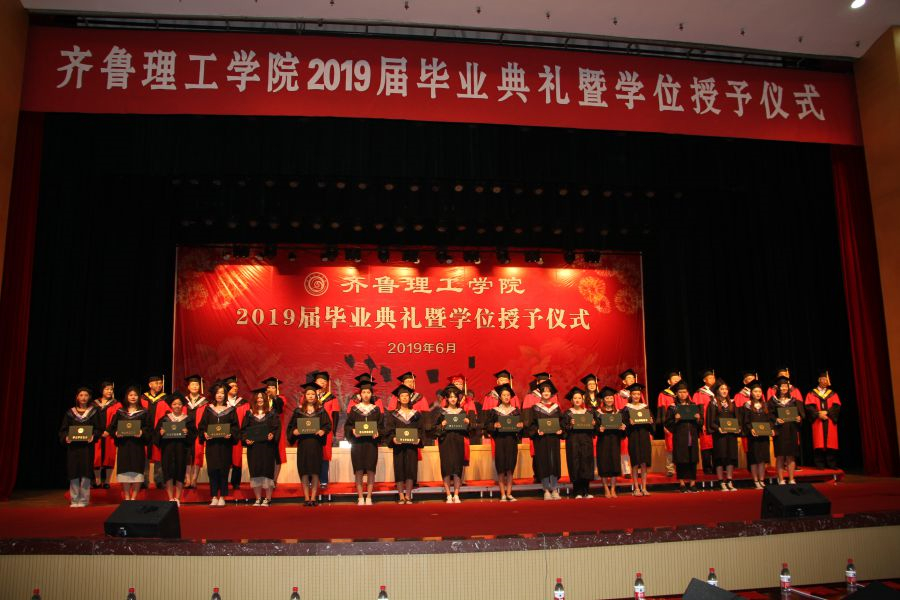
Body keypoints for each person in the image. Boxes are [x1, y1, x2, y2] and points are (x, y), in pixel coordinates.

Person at [287, 382, 332, 506]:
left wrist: (323, 431)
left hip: (316, 444)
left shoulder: (321, 411)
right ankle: (306, 498)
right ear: (305, 396)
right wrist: (294, 432)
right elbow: (291, 427)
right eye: (308, 394)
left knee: (315, 471)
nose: (311, 396)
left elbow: (327, 425)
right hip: (303, 445)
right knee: (304, 471)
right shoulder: (298, 411)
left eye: (313, 394)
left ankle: (313, 498)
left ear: (316, 396)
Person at [198, 383, 239, 507]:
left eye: (222, 393)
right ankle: (214, 496)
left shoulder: (231, 410)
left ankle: (222, 496)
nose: (219, 395)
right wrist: (205, 434)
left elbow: (235, 427)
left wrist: (230, 434)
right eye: (217, 393)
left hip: (225, 445)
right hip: (212, 445)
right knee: (212, 470)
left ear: (225, 394)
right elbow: (202, 426)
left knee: (224, 470)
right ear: (214, 395)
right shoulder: (208, 409)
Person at [59, 387, 100, 508]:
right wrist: (66, 437)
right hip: (73, 448)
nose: (83, 398)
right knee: (74, 472)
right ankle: (74, 499)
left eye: (86, 395)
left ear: (89, 397)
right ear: (77, 397)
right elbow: (63, 429)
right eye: (81, 395)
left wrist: (93, 436)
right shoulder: (70, 413)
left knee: (86, 472)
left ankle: (84, 500)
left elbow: (98, 429)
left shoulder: (93, 412)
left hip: (87, 448)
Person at [109, 386, 152, 501]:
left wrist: (142, 432)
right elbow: (112, 428)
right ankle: (127, 498)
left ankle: (133, 498)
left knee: (137, 471)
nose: (133, 397)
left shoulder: (144, 412)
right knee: (125, 472)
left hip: (137, 446)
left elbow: (149, 428)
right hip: (124, 445)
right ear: (127, 397)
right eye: (131, 395)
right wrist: (116, 432)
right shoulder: (120, 412)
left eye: (135, 395)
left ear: (139, 397)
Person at [154, 393, 196, 506]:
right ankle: (170, 498)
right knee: (168, 473)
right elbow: (156, 435)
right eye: (174, 404)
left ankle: (177, 498)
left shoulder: (188, 419)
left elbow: (193, 435)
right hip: (167, 450)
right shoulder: (164, 419)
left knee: (180, 472)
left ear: (183, 405)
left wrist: (187, 433)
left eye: (179, 404)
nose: (177, 406)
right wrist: (160, 433)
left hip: (181, 450)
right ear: (171, 406)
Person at [241, 387, 280, 507]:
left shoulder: (272, 413)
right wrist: (246, 439)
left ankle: (267, 499)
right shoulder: (249, 414)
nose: (259, 399)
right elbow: (243, 430)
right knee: (256, 472)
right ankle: (258, 499)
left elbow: (276, 428)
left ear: (265, 399)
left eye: (261, 397)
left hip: (267, 448)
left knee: (267, 472)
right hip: (254, 448)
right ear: (254, 400)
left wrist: (272, 435)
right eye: (257, 398)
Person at [345, 380, 382, 505]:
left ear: (371, 394)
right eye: (364, 392)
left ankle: (369, 497)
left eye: (368, 392)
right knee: (359, 469)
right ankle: (360, 497)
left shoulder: (376, 410)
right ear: (360, 395)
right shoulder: (355, 409)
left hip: (371, 444)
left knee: (371, 469)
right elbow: (348, 425)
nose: (366, 394)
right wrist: (353, 430)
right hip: (357, 444)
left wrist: (378, 432)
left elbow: (381, 426)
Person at [484, 383, 522, 501]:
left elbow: (521, 428)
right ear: (500, 397)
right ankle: (502, 494)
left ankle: (509, 493)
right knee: (501, 467)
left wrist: (520, 426)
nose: (506, 397)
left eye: (508, 395)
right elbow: (487, 426)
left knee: (510, 467)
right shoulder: (494, 411)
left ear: (511, 397)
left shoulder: (515, 411)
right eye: (504, 395)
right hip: (500, 441)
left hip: (511, 441)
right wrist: (494, 425)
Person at [384, 384, 422, 504]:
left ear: (409, 398)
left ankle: (408, 495)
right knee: (399, 469)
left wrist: (419, 439)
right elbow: (389, 430)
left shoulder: (416, 414)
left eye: (407, 396)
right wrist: (393, 439)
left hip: (411, 447)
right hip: (398, 447)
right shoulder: (394, 414)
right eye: (402, 396)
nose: (405, 398)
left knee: (411, 469)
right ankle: (401, 495)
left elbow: (420, 430)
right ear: (398, 399)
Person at [434, 384, 471, 503]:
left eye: (455, 397)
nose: (453, 399)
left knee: (457, 468)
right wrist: (441, 425)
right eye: (450, 397)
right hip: (445, 442)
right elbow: (434, 430)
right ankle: (448, 495)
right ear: (447, 398)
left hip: (458, 442)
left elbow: (468, 431)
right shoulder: (442, 412)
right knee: (446, 468)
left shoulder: (461, 412)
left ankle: (456, 494)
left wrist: (467, 423)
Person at [528, 380, 563, 500]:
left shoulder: (556, 408)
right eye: (544, 391)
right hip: (541, 440)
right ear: (541, 393)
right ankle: (546, 490)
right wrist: (537, 431)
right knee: (543, 462)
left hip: (553, 439)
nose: (546, 393)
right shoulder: (535, 408)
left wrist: (560, 430)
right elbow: (531, 425)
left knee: (553, 462)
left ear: (551, 393)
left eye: (548, 391)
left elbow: (561, 422)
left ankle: (554, 488)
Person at [664, 381, 702, 493]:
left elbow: (701, 423)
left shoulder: (693, 406)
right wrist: (675, 420)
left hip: (692, 436)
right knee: (680, 460)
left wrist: (698, 419)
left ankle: (693, 483)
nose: (682, 394)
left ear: (688, 393)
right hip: (680, 437)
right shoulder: (673, 408)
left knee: (692, 459)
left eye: (684, 392)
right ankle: (682, 483)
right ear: (676, 393)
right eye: (680, 392)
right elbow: (667, 424)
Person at [562, 387, 596, 499]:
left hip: (586, 441)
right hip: (573, 442)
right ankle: (577, 491)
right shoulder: (567, 414)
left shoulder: (588, 412)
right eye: (575, 398)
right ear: (572, 400)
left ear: (583, 399)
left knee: (586, 463)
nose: (577, 400)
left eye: (579, 398)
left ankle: (586, 491)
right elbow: (563, 429)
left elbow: (594, 430)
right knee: (575, 464)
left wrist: (593, 424)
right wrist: (570, 425)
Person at [769, 375, 803, 485]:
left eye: (786, 386)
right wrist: (776, 420)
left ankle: (791, 479)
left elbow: (799, 414)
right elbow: (770, 415)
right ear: (778, 387)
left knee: (791, 455)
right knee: (780, 456)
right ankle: (781, 479)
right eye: (782, 386)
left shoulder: (793, 400)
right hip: (779, 431)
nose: (784, 388)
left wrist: (799, 419)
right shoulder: (773, 401)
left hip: (791, 430)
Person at [805, 370, 842, 469]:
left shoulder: (832, 393)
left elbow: (837, 406)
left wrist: (827, 412)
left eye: (826, 380)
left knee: (831, 442)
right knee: (819, 442)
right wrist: (818, 414)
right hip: (818, 421)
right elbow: (809, 407)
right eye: (823, 379)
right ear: (819, 380)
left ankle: (831, 464)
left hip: (829, 420)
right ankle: (819, 464)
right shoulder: (812, 393)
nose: (825, 381)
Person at [707, 380, 739, 491]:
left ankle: (729, 480)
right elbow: (711, 422)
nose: (724, 391)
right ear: (717, 391)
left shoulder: (732, 403)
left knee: (731, 457)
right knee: (720, 458)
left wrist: (738, 427)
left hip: (731, 435)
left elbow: (737, 418)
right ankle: (721, 481)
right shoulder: (713, 404)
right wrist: (718, 428)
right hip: (719, 435)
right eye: (722, 389)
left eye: (726, 389)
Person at [622, 382, 654, 496]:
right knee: (635, 463)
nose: (636, 396)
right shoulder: (626, 409)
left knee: (644, 463)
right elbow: (623, 426)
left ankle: (644, 487)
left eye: (638, 394)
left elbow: (651, 427)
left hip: (644, 437)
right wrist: (629, 424)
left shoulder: (645, 407)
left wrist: (651, 422)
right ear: (631, 395)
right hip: (634, 437)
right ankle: (636, 488)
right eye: (634, 394)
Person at [741, 381, 773, 489]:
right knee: (754, 459)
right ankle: (755, 480)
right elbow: (746, 420)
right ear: (751, 393)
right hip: (753, 436)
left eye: (759, 391)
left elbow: (769, 419)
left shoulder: (765, 405)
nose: (758, 393)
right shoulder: (747, 405)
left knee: (762, 459)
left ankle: (762, 480)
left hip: (764, 435)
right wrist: (751, 429)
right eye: (755, 391)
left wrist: (771, 428)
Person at [595, 386, 625, 498]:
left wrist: (623, 428)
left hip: (615, 441)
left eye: (611, 398)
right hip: (603, 442)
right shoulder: (598, 413)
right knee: (603, 465)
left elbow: (623, 433)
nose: (609, 400)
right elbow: (595, 429)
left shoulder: (618, 412)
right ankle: (606, 489)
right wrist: (599, 429)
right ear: (603, 399)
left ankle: (613, 489)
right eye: (607, 398)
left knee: (614, 465)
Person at [141, 374, 170, 489]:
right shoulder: (143, 398)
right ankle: (144, 480)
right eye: (157, 383)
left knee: (159, 454)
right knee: (144, 455)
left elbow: (169, 415)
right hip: (146, 430)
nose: (159, 385)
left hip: (159, 430)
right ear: (150, 385)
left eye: (160, 383)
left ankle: (159, 480)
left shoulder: (165, 398)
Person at [312, 371, 338, 492]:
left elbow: (335, 415)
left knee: (325, 455)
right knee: (312, 454)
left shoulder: (331, 398)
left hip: (326, 430)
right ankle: (312, 480)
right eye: (320, 380)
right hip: (311, 429)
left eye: (324, 381)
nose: (322, 383)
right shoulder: (308, 395)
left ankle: (323, 480)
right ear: (315, 382)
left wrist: (333, 431)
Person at [225, 376, 249, 492]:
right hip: (224, 434)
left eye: (236, 386)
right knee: (224, 458)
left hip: (237, 434)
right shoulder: (221, 402)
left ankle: (235, 482)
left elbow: (246, 420)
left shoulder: (243, 403)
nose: (235, 388)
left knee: (237, 458)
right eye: (232, 386)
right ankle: (223, 482)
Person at [93, 381, 119, 489]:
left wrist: (109, 431)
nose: (109, 391)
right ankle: (98, 481)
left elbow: (116, 419)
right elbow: (91, 418)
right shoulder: (94, 404)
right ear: (102, 390)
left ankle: (107, 481)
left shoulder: (117, 404)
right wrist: (98, 432)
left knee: (109, 457)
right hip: (97, 434)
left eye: (111, 389)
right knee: (96, 457)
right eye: (107, 389)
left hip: (110, 435)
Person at [655, 371, 681, 477]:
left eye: (678, 380)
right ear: (669, 381)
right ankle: (670, 468)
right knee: (670, 446)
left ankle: (681, 467)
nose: (677, 382)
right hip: (670, 425)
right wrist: (664, 425)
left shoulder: (684, 393)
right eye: (674, 380)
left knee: (682, 445)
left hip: (682, 425)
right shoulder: (663, 394)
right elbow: (661, 411)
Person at [183, 374, 207, 489]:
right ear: (188, 387)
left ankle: (194, 479)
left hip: (198, 431)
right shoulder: (183, 401)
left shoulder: (204, 402)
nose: (195, 386)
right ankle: (187, 479)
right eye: (192, 384)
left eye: (197, 384)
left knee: (197, 454)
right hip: (186, 432)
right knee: (187, 455)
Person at [692, 369, 717, 474]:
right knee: (706, 445)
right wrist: (700, 423)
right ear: (704, 380)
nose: (712, 379)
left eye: (713, 378)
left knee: (717, 445)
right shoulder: (699, 393)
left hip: (717, 423)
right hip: (705, 423)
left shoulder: (718, 391)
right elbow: (697, 409)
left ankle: (717, 467)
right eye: (710, 378)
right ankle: (707, 468)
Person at [262, 377, 286, 485]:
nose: (271, 389)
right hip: (263, 429)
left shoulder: (281, 399)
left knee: (277, 456)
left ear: (277, 389)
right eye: (269, 387)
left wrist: (274, 397)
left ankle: (274, 480)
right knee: (265, 455)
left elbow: (279, 409)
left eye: (273, 387)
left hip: (277, 431)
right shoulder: (262, 400)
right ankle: (266, 478)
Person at [617, 369, 638, 477]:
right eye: (629, 378)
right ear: (624, 381)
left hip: (636, 424)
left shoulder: (638, 394)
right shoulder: (619, 395)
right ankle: (626, 470)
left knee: (637, 446)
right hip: (625, 424)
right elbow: (618, 410)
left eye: (633, 378)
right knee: (625, 446)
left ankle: (638, 469)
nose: (632, 379)